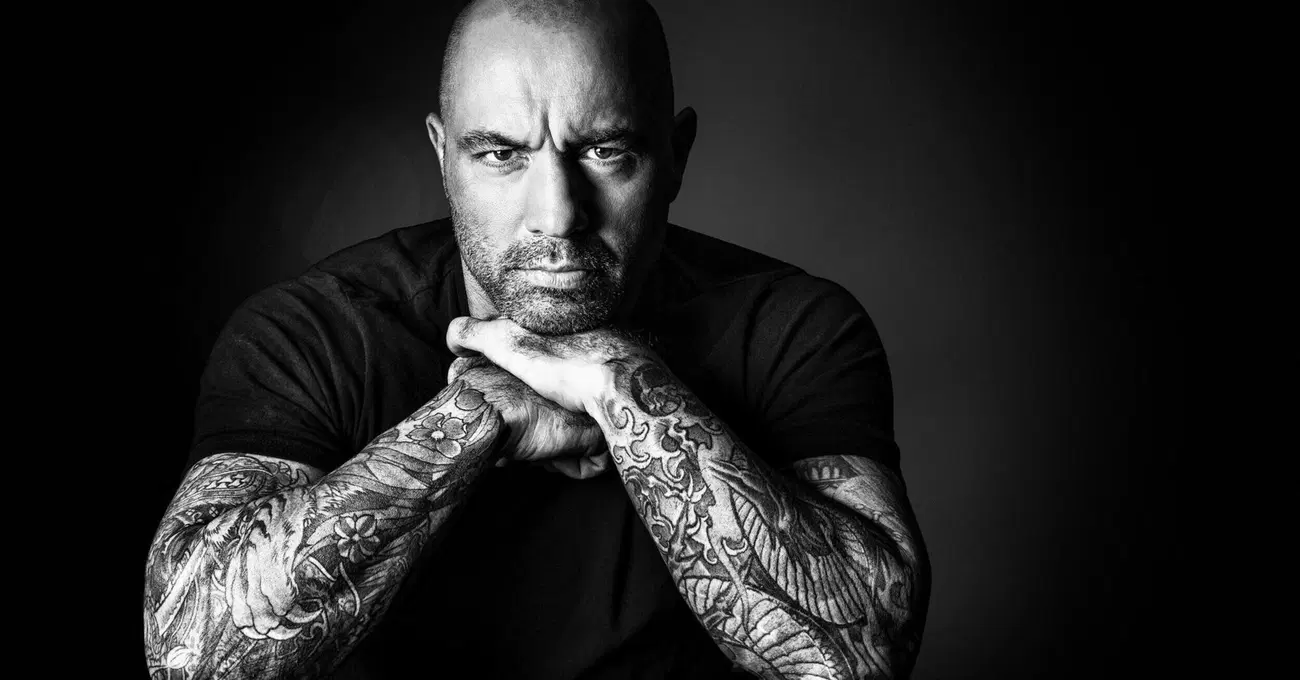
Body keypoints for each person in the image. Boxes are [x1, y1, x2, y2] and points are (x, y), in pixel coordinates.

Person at [142, 0, 931, 677]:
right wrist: (476, 419)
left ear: (676, 154)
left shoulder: (790, 328)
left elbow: (862, 656)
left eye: (605, 151)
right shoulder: (317, 334)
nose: (557, 216)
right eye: (501, 154)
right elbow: (193, 656)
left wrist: (621, 387)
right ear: (443, 156)